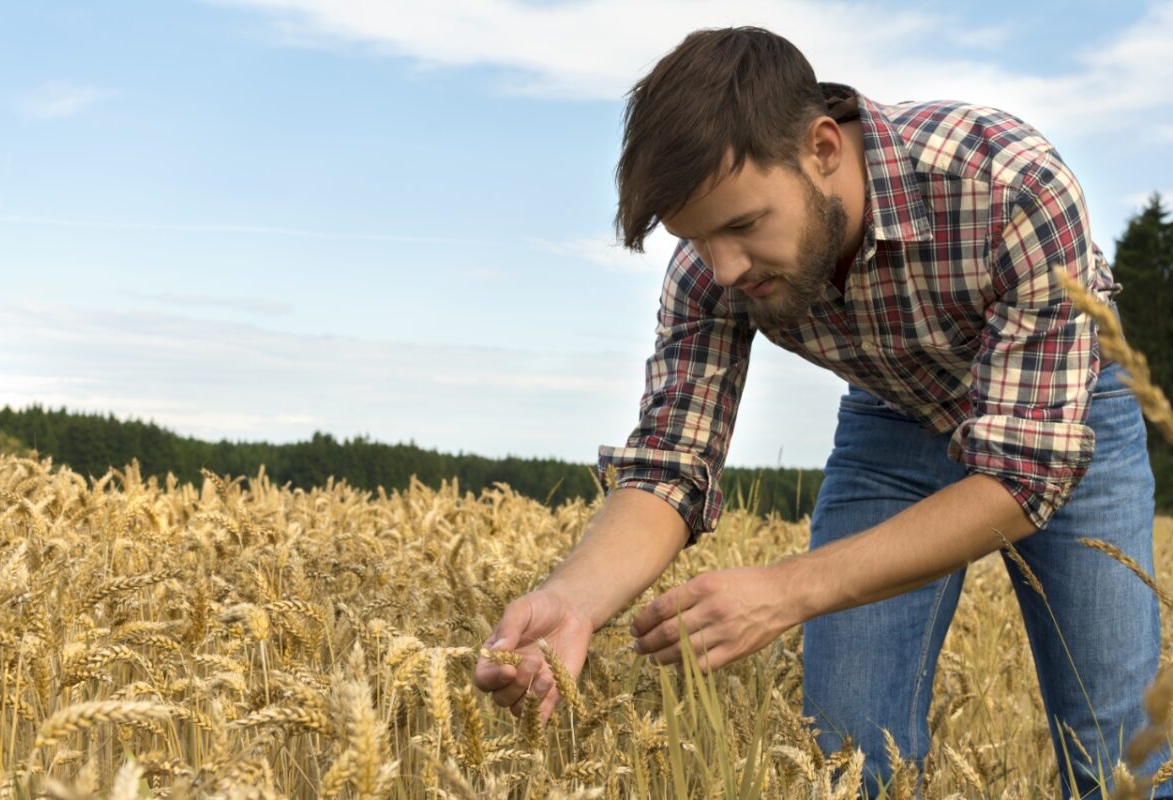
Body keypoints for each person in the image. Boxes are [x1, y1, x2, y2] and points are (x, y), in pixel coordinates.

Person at [472, 26, 1167, 798]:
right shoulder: (712, 269)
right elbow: (671, 464)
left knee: (1119, 746)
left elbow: (1019, 476)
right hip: (894, 419)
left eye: (743, 226)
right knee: (845, 751)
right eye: (698, 239)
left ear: (823, 148)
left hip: (1065, 422)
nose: (723, 268)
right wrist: (571, 602)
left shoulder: (1008, 182)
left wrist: (789, 589)